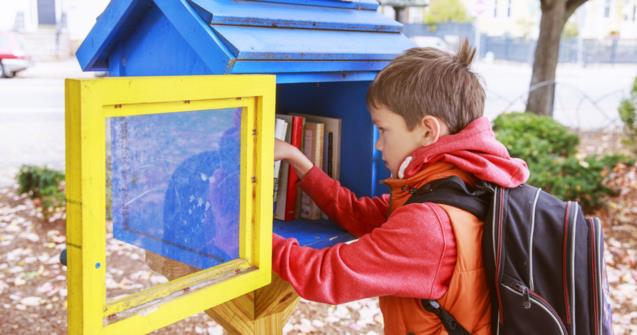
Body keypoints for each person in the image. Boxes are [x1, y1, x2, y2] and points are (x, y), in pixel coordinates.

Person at [272, 40, 530, 334]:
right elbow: (360, 214)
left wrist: (243, 234)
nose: (379, 144)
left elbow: (323, 275)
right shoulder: (464, 180)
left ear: (427, 130)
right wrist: (299, 160)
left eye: (383, 129)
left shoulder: (430, 225)